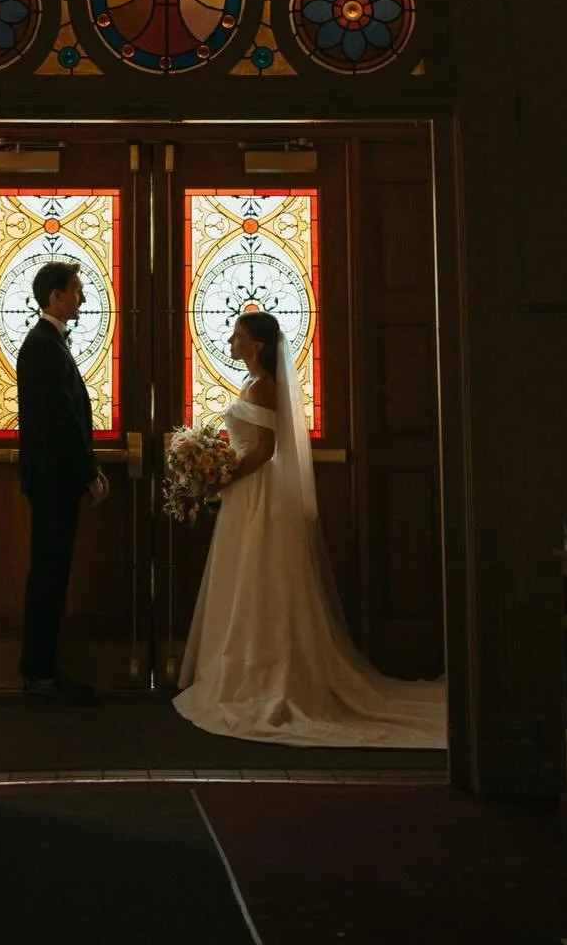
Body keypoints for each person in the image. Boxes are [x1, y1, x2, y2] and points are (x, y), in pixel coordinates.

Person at [174, 310, 445, 748]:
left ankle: (266, 675)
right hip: (247, 494)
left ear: (257, 345)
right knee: (246, 579)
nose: (230, 340)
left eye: (238, 335)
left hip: (256, 492)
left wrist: (220, 475)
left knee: (261, 579)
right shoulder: (252, 384)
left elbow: (263, 450)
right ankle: (244, 667)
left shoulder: (264, 388)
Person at [17, 259, 109, 704]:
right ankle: (39, 674)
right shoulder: (42, 347)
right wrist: (88, 474)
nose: (82, 297)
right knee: (49, 575)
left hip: (55, 477)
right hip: (54, 478)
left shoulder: (49, 343)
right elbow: (62, 420)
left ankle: (44, 670)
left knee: (52, 573)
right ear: (56, 296)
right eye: (76, 290)